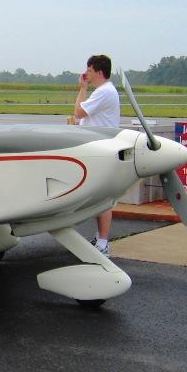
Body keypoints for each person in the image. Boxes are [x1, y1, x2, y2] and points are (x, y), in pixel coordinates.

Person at [73, 54, 120, 256]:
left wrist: (82, 89)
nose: (86, 74)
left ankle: (103, 242)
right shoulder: (104, 91)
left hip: (101, 150)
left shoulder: (104, 92)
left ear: (99, 72)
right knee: (99, 197)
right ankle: (100, 239)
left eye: (89, 70)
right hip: (99, 148)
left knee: (102, 198)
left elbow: (78, 112)